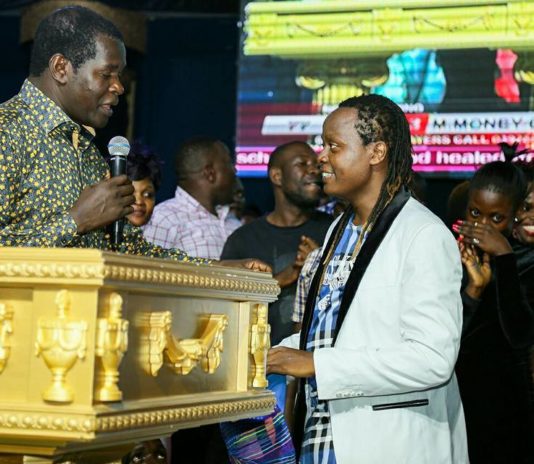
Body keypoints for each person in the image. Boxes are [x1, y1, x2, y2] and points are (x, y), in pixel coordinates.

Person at [267, 94, 467, 463]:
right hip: (322, 438)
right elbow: (334, 330)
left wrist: (316, 364)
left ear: (376, 153)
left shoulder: (423, 234)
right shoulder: (338, 231)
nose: (321, 157)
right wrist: (270, 353)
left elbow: (433, 358)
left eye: (334, 146)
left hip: (389, 443)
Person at [0, 6, 267, 272]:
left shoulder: (87, 152)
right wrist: (76, 221)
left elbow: (133, 252)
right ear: (61, 68)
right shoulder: (6, 131)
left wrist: (220, 268)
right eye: (106, 74)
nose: (119, 86)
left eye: (120, 76)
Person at [453, 157, 534, 463]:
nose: (483, 226)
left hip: (507, 404)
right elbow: (447, 336)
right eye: (475, 213)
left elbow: (520, 334)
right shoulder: (452, 256)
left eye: (496, 218)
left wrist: (505, 256)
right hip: (456, 396)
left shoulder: (525, 260)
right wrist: (473, 289)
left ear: (514, 216)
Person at [221, 141, 333, 346]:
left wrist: (322, 265)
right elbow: (226, 310)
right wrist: (279, 280)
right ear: (277, 176)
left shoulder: (334, 231)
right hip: (258, 359)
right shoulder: (243, 240)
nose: (314, 170)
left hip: (317, 358)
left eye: (316, 165)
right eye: (302, 164)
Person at [143, 137, 241, 259]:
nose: (234, 170)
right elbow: (144, 269)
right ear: (210, 174)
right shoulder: (163, 220)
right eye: (229, 163)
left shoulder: (233, 222)